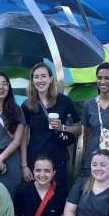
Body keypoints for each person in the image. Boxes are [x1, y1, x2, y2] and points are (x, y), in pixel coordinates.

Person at [20, 63, 81, 192]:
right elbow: (23, 138)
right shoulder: (27, 105)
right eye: (36, 77)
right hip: (35, 162)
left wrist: (62, 127)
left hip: (58, 160)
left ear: (50, 79)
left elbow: (78, 129)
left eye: (43, 76)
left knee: (58, 201)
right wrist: (24, 165)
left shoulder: (64, 101)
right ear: (32, 81)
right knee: (35, 203)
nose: (40, 80)